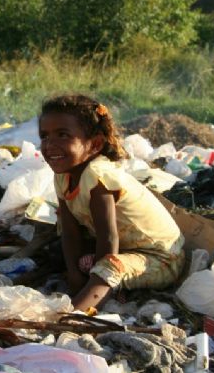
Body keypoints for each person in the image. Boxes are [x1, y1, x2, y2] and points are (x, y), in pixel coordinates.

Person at [38, 95, 184, 311]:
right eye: (44, 136)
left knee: (109, 266)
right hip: (124, 248)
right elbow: (70, 232)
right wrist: (75, 278)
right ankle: (106, 289)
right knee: (62, 251)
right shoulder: (63, 175)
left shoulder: (99, 177)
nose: (50, 145)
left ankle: (77, 313)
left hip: (160, 258)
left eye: (63, 135)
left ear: (95, 144)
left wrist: (84, 285)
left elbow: (108, 237)